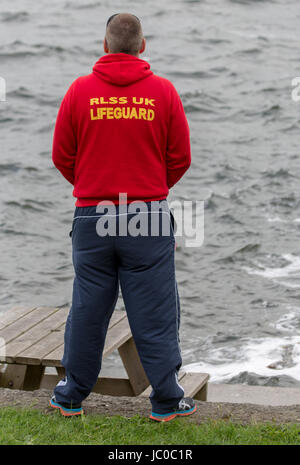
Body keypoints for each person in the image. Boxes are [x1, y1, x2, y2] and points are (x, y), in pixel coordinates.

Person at [50, 12, 194, 422]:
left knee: (88, 309)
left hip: (93, 215)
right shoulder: (163, 92)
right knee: (156, 311)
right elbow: (180, 158)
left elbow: (62, 155)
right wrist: (149, 188)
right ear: (142, 46)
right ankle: (166, 399)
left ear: (105, 45)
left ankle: (71, 395)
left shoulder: (79, 91)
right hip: (146, 216)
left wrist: (94, 186)